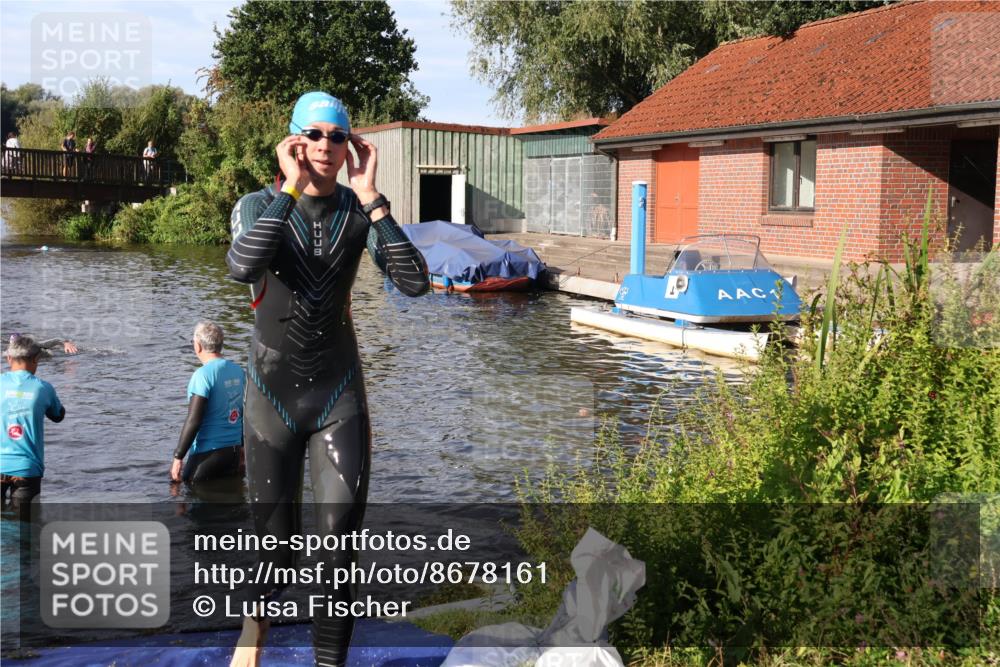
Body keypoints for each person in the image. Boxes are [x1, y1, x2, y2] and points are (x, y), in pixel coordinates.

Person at [226, 91, 428, 667]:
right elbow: (242, 265)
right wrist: (289, 189)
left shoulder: (359, 211)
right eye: (313, 135)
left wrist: (372, 198)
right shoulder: (257, 203)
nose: (324, 146)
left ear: (351, 147)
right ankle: (252, 634)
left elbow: (414, 285)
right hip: (271, 398)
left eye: (337, 137)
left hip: (338, 395)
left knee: (338, 552)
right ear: (292, 141)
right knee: (278, 553)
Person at [170, 322, 245, 484]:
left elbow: (194, 420)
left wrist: (178, 456)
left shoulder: (202, 375)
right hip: (233, 453)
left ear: (198, 346)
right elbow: (243, 412)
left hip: (207, 455)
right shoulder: (238, 371)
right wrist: (242, 447)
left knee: (183, 492)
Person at [0, 335, 66, 510]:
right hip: (27, 469)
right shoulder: (43, 388)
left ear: (8, 358)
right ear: (37, 359)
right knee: (25, 525)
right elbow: (58, 415)